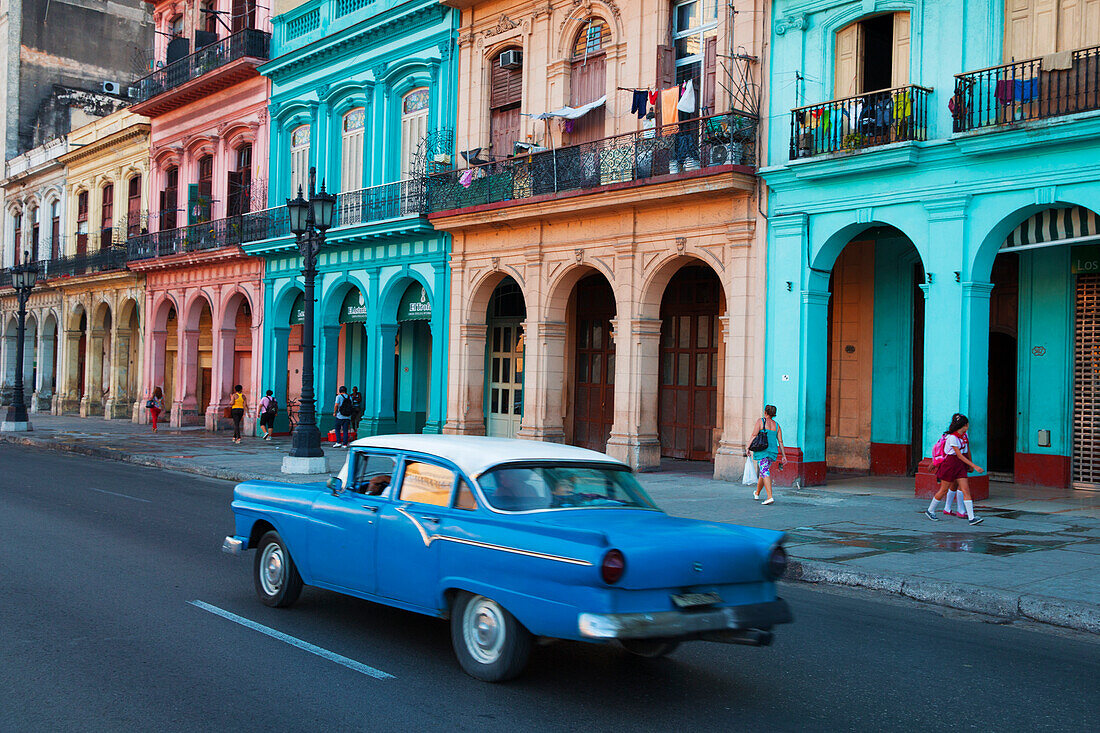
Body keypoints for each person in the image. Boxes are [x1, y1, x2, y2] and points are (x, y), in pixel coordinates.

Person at [926, 413, 985, 526]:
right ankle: (930, 510)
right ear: (964, 425)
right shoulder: (952, 438)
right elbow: (959, 455)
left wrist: (968, 465)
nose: (968, 426)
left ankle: (972, 517)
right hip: (950, 465)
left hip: (960, 466)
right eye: (967, 424)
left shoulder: (964, 437)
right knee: (943, 490)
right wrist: (974, 466)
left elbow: (967, 452)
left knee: (965, 490)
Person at [744, 405, 787, 505]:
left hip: (762, 450)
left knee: (765, 472)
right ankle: (757, 492)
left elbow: (754, 435)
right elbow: (780, 442)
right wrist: (784, 455)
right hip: (772, 452)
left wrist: (748, 447)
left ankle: (769, 497)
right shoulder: (777, 425)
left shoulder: (761, 421)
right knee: (763, 472)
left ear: (765, 412)